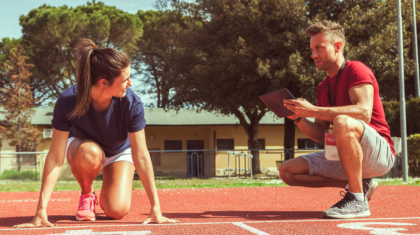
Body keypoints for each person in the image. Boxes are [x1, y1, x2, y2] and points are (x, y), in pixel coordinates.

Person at [13, 39, 179, 228]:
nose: (130, 83)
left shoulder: (132, 103)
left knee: (116, 210)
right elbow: (55, 156)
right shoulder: (68, 100)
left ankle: (107, 195)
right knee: (89, 152)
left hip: (118, 152)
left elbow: (140, 155)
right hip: (84, 150)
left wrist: (155, 207)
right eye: (125, 79)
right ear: (103, 82)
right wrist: (41, 210)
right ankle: (87, 194)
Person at [280, 21, 395, 219]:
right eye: (311, 49)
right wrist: (298, 118)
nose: (313, 55)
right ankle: (359, 184)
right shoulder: (323, 87)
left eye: (319, 48)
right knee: (287, 171)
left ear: (337, 46)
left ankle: (357, 200)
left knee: (342, 121)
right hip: (345, 155)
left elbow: (363, 112)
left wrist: (314, 110)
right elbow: (319, 135)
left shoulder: (357, 70)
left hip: (378, 153)